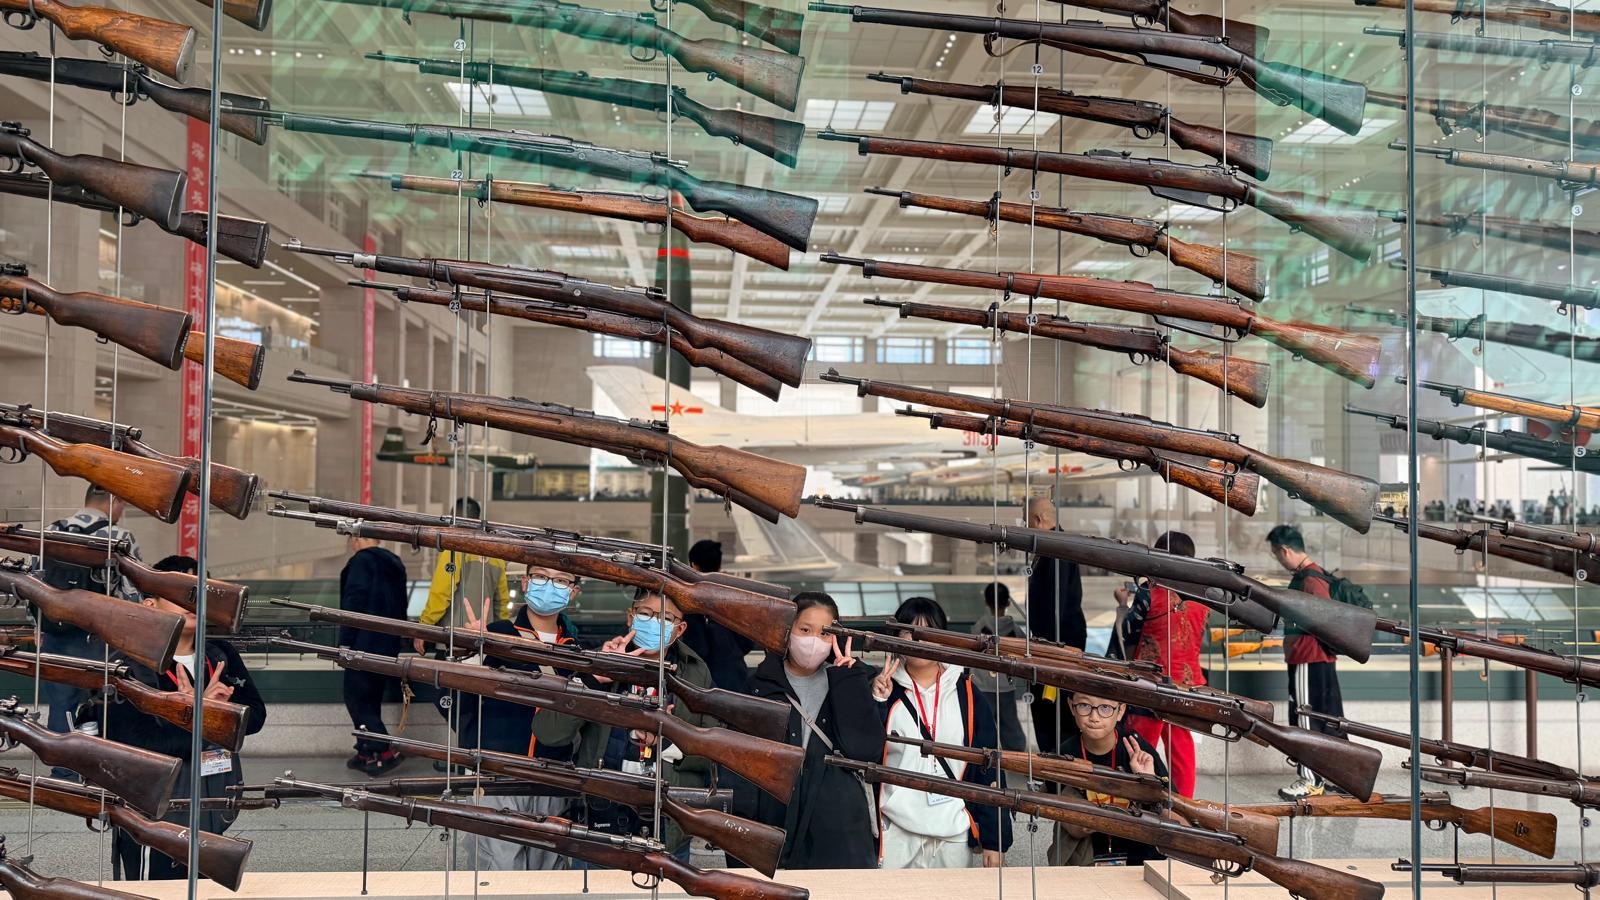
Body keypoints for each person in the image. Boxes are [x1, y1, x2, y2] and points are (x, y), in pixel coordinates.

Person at [104, 555, 267, 882]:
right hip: (153, 808)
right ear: (150, 604)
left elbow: (255, 717)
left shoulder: (219, 654)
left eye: (198, 593)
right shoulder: (128, 665)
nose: (192, 602)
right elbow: (136, 743)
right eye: (180, 594)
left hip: (214, 798)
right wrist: (199, 714)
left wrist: (213, 713)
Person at [452, 564, 588, 871]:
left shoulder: (577, 651)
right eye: (540, 576)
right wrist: (471, 652)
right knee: (498, 868)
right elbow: (457, 697)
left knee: (548, 870)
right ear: (525, 583)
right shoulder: (496, 635)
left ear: (573, 592)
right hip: (498, 772)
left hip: (553, 774)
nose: (549, 585)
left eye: (561, 580)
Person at [738, 592, 885, 869]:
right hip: (774, 821)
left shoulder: (854, 680)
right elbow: (742, 764)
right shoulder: (758, 685)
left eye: (824, 633)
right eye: (805, 630)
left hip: (837, 829)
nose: (813, 641)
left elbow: (865, 751)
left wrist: (848, 681)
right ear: (787, 629)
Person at [572, 588, 718, 861]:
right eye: (646, 614)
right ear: (630, 617)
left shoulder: (696, 673)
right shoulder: (601, 661)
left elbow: (714, 753)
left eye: (666, 618)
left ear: (680, 629)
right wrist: (594, 677)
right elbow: (549, 733)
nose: (654, 623)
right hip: (599, 824)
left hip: (667, 828)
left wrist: (670, 739)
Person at [873, 597, 1010, 869]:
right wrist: (877, 702)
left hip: (953, 831)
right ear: (896, 638)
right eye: (909, 632)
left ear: (944, 638)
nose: (918, 639)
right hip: (896, 831)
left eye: (928, 631)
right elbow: (867, 752)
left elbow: (990, 769)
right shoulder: (884, 691)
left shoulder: (967, 694)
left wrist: (995, 839)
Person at [36, 485, 141, 763]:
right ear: (114, 501)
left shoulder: (50, 531)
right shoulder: (119, 536)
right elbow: (133, 595)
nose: (122, 511)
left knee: (62, 707)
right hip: (102, 638)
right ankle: (101, 767)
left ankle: (63, 771)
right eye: (123, 504)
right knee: (105, 706)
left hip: (56, 636)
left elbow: (31, 585)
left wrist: (39, 627)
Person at [1109, 531, 1208, 798]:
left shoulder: (1149, 593)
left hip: (1149, 682)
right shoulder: (1202, 597)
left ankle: (1138, 799)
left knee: (1139, 745)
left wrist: (1122, 605)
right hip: (1187, 684)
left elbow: (1128, 633)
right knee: (1182, 749)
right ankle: (1184, 803)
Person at [1266, 525, 1347, 800]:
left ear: (1285, 550)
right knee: (1328, 718)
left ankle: (1311, 780)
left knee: (1305, 717)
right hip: (1319, 657)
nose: (1278, 560)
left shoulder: (1309, 580)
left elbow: (1324, 622)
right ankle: (1342, 776)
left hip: (1307, 657)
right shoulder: (1316, 575)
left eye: (1277, 554)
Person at [1047, 691, 1166, 866]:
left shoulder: (1139, 752)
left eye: (1105, 708)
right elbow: (1066, 822)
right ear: (1071, 706)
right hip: (1085, 861)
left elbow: (1175, 817)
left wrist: (1149, 784)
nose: (1094, 717)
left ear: (1120, 711)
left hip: (1140, 860)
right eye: (1084, 705)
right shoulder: (1064, 754)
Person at [337, 532, 409, 775]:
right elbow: (401, 606)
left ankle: (382, 750)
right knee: (370, 699)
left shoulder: (361, 562)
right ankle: (365, 750)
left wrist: (345, 643)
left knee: (356, 699)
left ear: (356, 539)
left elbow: (353, 605)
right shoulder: (394, 563)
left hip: (362, 643)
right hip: (387, 644)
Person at [1024, 497, 1084, 752]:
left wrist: (1048, 650)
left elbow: (1055, 606)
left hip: (1056, 648)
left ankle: (1056, 762)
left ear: (1038, 520)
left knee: (1052, 713)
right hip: (1054, 645)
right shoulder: (1054, 547)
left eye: (1027, 523)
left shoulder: (1056, 550)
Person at [415, 496, 510, 649]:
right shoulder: (496, 555)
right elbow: (502, 604)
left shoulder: (454, 549)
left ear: (453, 520)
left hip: (454, 642)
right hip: (486, 642)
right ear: (477, 519)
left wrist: (424, 625)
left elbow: (441, 592)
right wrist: (501, 637)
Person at [678, 539, 755, 692]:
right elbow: (747, 643)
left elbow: (697, 648)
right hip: (736, 679)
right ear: (719, 565)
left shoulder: (691, 601)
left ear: (694, 565)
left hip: (702, 682)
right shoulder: (734, 595)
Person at [971, 583, 1027, 754]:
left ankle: (983, 754)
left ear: (986, 602)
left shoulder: (979, 627)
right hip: (1005, 686)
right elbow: (1024, 652)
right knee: (1009, 724)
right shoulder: (1014, 630)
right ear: (1008, 603)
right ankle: (1016, 754)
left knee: (984, 724)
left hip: (982, 685)